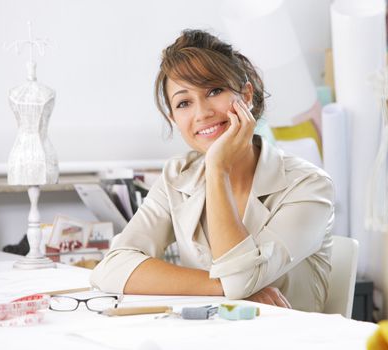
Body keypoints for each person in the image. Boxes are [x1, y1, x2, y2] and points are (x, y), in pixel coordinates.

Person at [90, 29, 334, 312]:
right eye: (184, 103)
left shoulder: (309, 185)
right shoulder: (178, 176)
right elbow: (111, 268)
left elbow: (240, 279)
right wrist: (219, 287)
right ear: (174, 118)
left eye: (214, 91)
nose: (202, 112)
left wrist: (218, 168)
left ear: (246, 94)